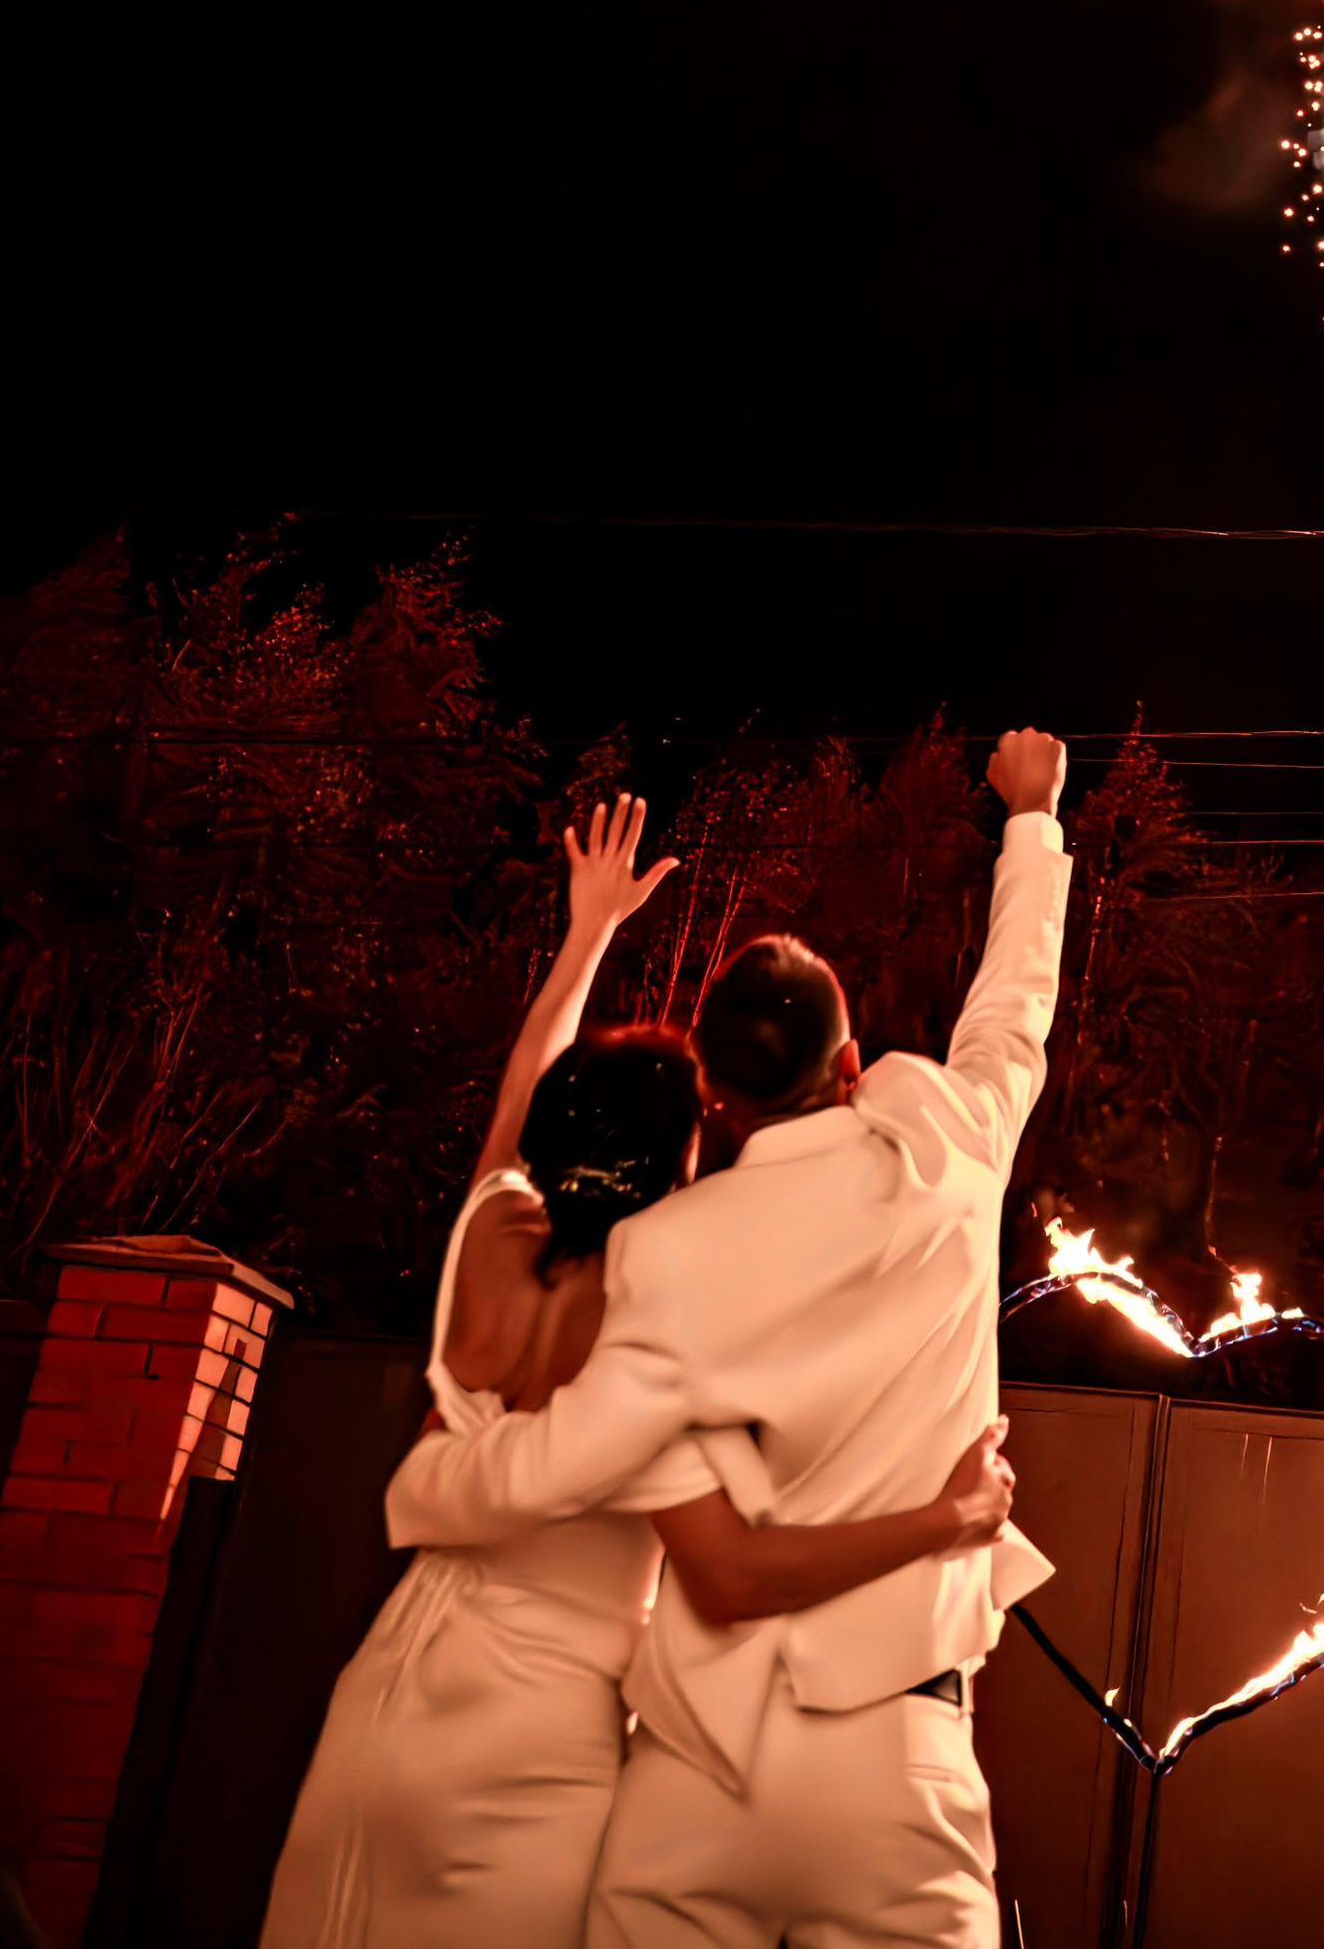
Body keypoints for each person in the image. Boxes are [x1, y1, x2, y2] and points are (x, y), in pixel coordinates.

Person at [262, 796, 1019, 1949]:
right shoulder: (662, 1308)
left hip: (393, 1689)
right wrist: (946, 1516)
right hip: (544, 1735)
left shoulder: (491, 1238)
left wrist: (589, 933)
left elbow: (524, 1099)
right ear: (693, 1138)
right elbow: (729, 1568)